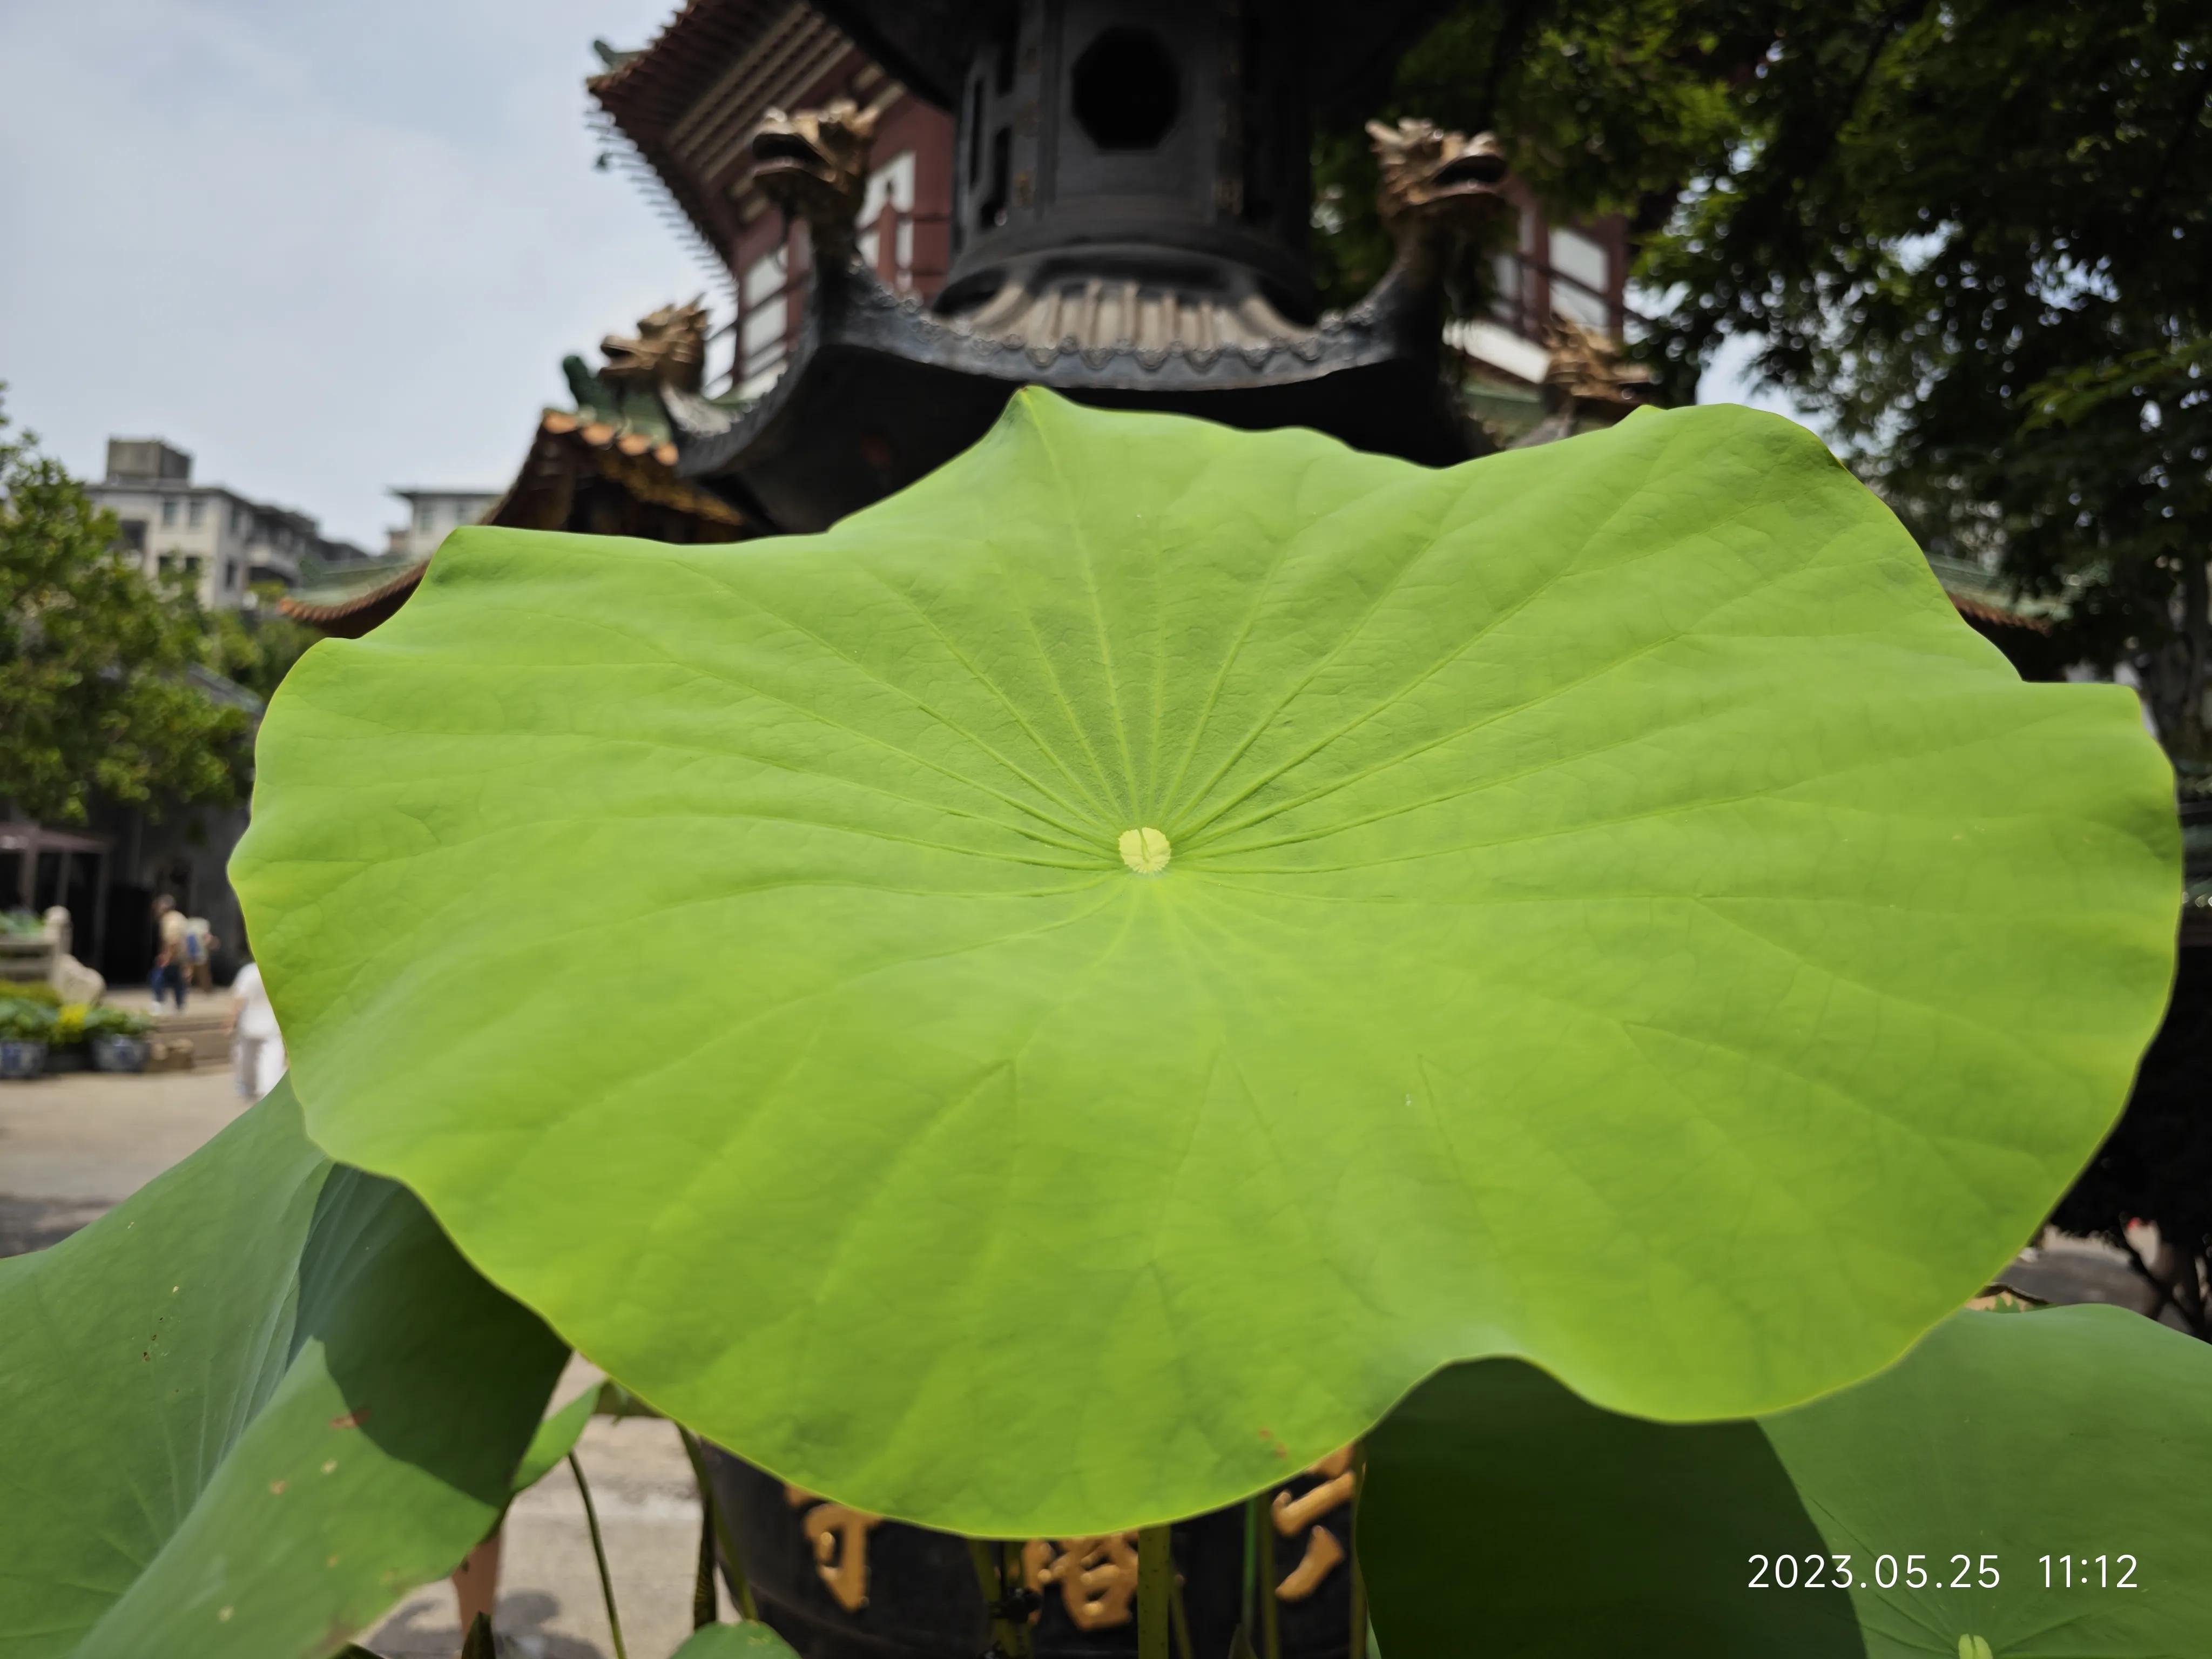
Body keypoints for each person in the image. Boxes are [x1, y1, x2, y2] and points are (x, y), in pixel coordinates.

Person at [226, 955, 285, 1101]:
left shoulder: (249, 972)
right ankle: (268, 1089)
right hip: (271, 1024)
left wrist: (230, 1021)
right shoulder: (277, 972)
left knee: (246, 1057)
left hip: (250, 1023)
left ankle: (247, 1086)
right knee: (271, 1058)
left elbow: (239, 998)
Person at [149, 896, 190, 1013]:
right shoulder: (180, 917)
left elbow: (173, 940)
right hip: (181, 957)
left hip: (173, 956)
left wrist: (167, 957)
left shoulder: (170, 920)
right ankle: (180, 1005)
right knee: (177, 980)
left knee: (158, 977)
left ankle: (159, 1003)